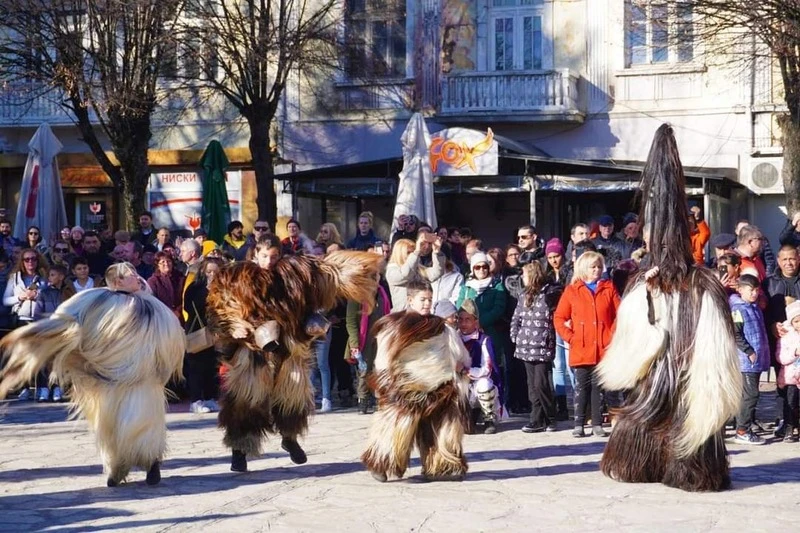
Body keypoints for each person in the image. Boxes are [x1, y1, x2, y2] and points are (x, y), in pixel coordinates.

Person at [596, 124, 742, 492]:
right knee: (659, 409)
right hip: (670, 381)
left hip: (681, 380)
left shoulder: (695, 285)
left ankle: (674, 461)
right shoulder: (655, 282)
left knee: (669, 409)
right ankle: (674, 462)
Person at [0, 263, 185, 487]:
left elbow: (172, 338)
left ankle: (151, 462)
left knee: (143, 421)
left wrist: (160, 366)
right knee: (110, 424)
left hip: (142, 378)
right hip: (108, 378)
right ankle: (116, 467)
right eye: (130, 275)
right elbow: (67, 321)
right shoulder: (97, 301)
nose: (136, 277)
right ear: (117, 281)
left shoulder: (151, 306)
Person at [205, 249, 382, 473]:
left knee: (294, 398)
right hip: (252, 351)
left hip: (289, 349)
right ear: (255, 254)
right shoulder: (236, 277)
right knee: (245, 402)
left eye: (273, 256)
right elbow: (216, 309)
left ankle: (289, 437)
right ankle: (239, 451)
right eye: (264, 256)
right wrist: (233, 326)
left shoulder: (294, 274)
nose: (269, 261)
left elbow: (329, 275)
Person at [361, 289, 471, 482]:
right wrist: (385, 383)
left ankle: (443, 466)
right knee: (398, 426)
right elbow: (383, 359)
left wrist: (460, 371)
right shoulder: (394, 326)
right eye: (423, 299)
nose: (427, 303)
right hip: (405, 388)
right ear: (410, 300)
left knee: (444, 425)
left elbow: (458, 354)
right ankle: (383, 462)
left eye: (430, 299)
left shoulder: (443, 328)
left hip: (439, 388)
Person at [554, 251, 619, 438]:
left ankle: (597, 423)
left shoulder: (609, 288)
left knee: (598, 388)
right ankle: (579, 423)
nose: (597, 270)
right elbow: (559, 317)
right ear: (584, 269)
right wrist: (571, 337)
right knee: (581, 387)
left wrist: (611, 336)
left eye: (599, 266)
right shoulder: (572, 290)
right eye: (593, 267)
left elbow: (620, 314)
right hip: (581, 347)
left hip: (603, 347)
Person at [511, 261, 561, 433]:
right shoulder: (523, 295)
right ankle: (536, 418)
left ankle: (550, 416)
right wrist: (515, 335)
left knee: (541, 384)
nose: (522, 278)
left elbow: (556, 316)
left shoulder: (549, 293)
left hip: (542, 345)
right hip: (525, 345)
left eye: (525, 275)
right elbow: (516, 317)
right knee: (532, 385)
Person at [730, 274, 771, 445]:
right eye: (750, 290)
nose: (754, 293)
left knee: (748, 395)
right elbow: (736, 333)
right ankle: (742, 430)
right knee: (751, 395)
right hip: (746, 360)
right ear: (740, 290)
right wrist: (749, 351)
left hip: (756, 359)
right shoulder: (738, 309)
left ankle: (742, 426)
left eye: (756, 290)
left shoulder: (754, 307)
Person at [765, 244, 800, 438]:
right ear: (778, 261)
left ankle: (795, 420)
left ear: (798, 259)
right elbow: (763, 308)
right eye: (785, 259)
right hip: (781, 342)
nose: (789, 263)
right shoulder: (770, 282)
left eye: (792, 258)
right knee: (782, 382)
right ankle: (783, 419)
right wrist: (772, 325)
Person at [346, 268, 392, 414]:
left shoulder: (382, 293)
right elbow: (351, 321)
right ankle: (363, 400)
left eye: (376, 276)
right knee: (364, 370)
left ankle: (379, 399)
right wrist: (354, 344)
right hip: (362, 338)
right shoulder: (357, 295)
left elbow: (387, 313)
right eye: (372, 277)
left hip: (379, 336)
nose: (375, 279)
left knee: (379, 369)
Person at [184, 257, 225, 415]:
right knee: (196, 367)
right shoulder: (195, 287)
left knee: (212, 366)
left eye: (215, 272)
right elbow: (189, 307)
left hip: (217, 333)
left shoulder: (223, 288)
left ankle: (210, 397)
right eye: (209, 272)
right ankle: (196, 400)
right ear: (203, 271)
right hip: (198, 330)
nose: (212, 275)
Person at [458, 298, 502, 435]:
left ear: (475, 322)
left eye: (468, 319)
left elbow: (487, 369)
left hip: (478, 383)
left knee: (484, 384)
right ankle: (470, 414)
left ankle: (489, 418)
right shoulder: (455, 338)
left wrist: (465, 371)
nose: (463, 323)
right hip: (464, 387)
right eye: (461, 319)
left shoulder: (484, 340)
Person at [385, 236, 444, 312]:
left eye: (412, 252)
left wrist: (437, 252)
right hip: (403, 315)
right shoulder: (392, 270)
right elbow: (405, 274)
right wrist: (416, 253)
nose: (412, 255)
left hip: (421, 313)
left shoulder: (417, 268)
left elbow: (437, 273)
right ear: (399, 254)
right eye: (408, 252)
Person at [776, 300, 800, 442]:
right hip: (791, 377)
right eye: (796, 321)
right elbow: (781, 357)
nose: (799, 324)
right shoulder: (786, 337)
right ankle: (789, 427)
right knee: (790, 403)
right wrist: (795, 352)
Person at [147, 252, 185, 323]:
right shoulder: (153, 281)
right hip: (162, 319)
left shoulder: (181, 278)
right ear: (158, 265)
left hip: (181, 316)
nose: (166, 264)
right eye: (162, 262)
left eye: (168, 261)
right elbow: (152, 301)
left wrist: (178, 311)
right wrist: (168, 313)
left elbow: (186, 297)